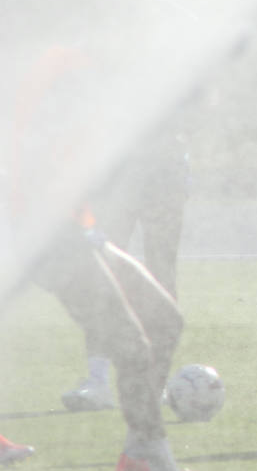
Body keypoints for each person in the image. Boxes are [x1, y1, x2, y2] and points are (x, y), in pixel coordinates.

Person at [8, 43, 240, 471]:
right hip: (48, 233)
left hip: (77, 227)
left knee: (166, 321)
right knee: (133, 348)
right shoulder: (67, 71)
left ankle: (137, 455)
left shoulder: (92, 72)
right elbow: (33, 151)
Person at [60, 118, 191, 412]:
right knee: (102, 270)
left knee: (161, 274)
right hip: (123, 168)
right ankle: (98, 381)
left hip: (165, 168)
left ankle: (152, 384)